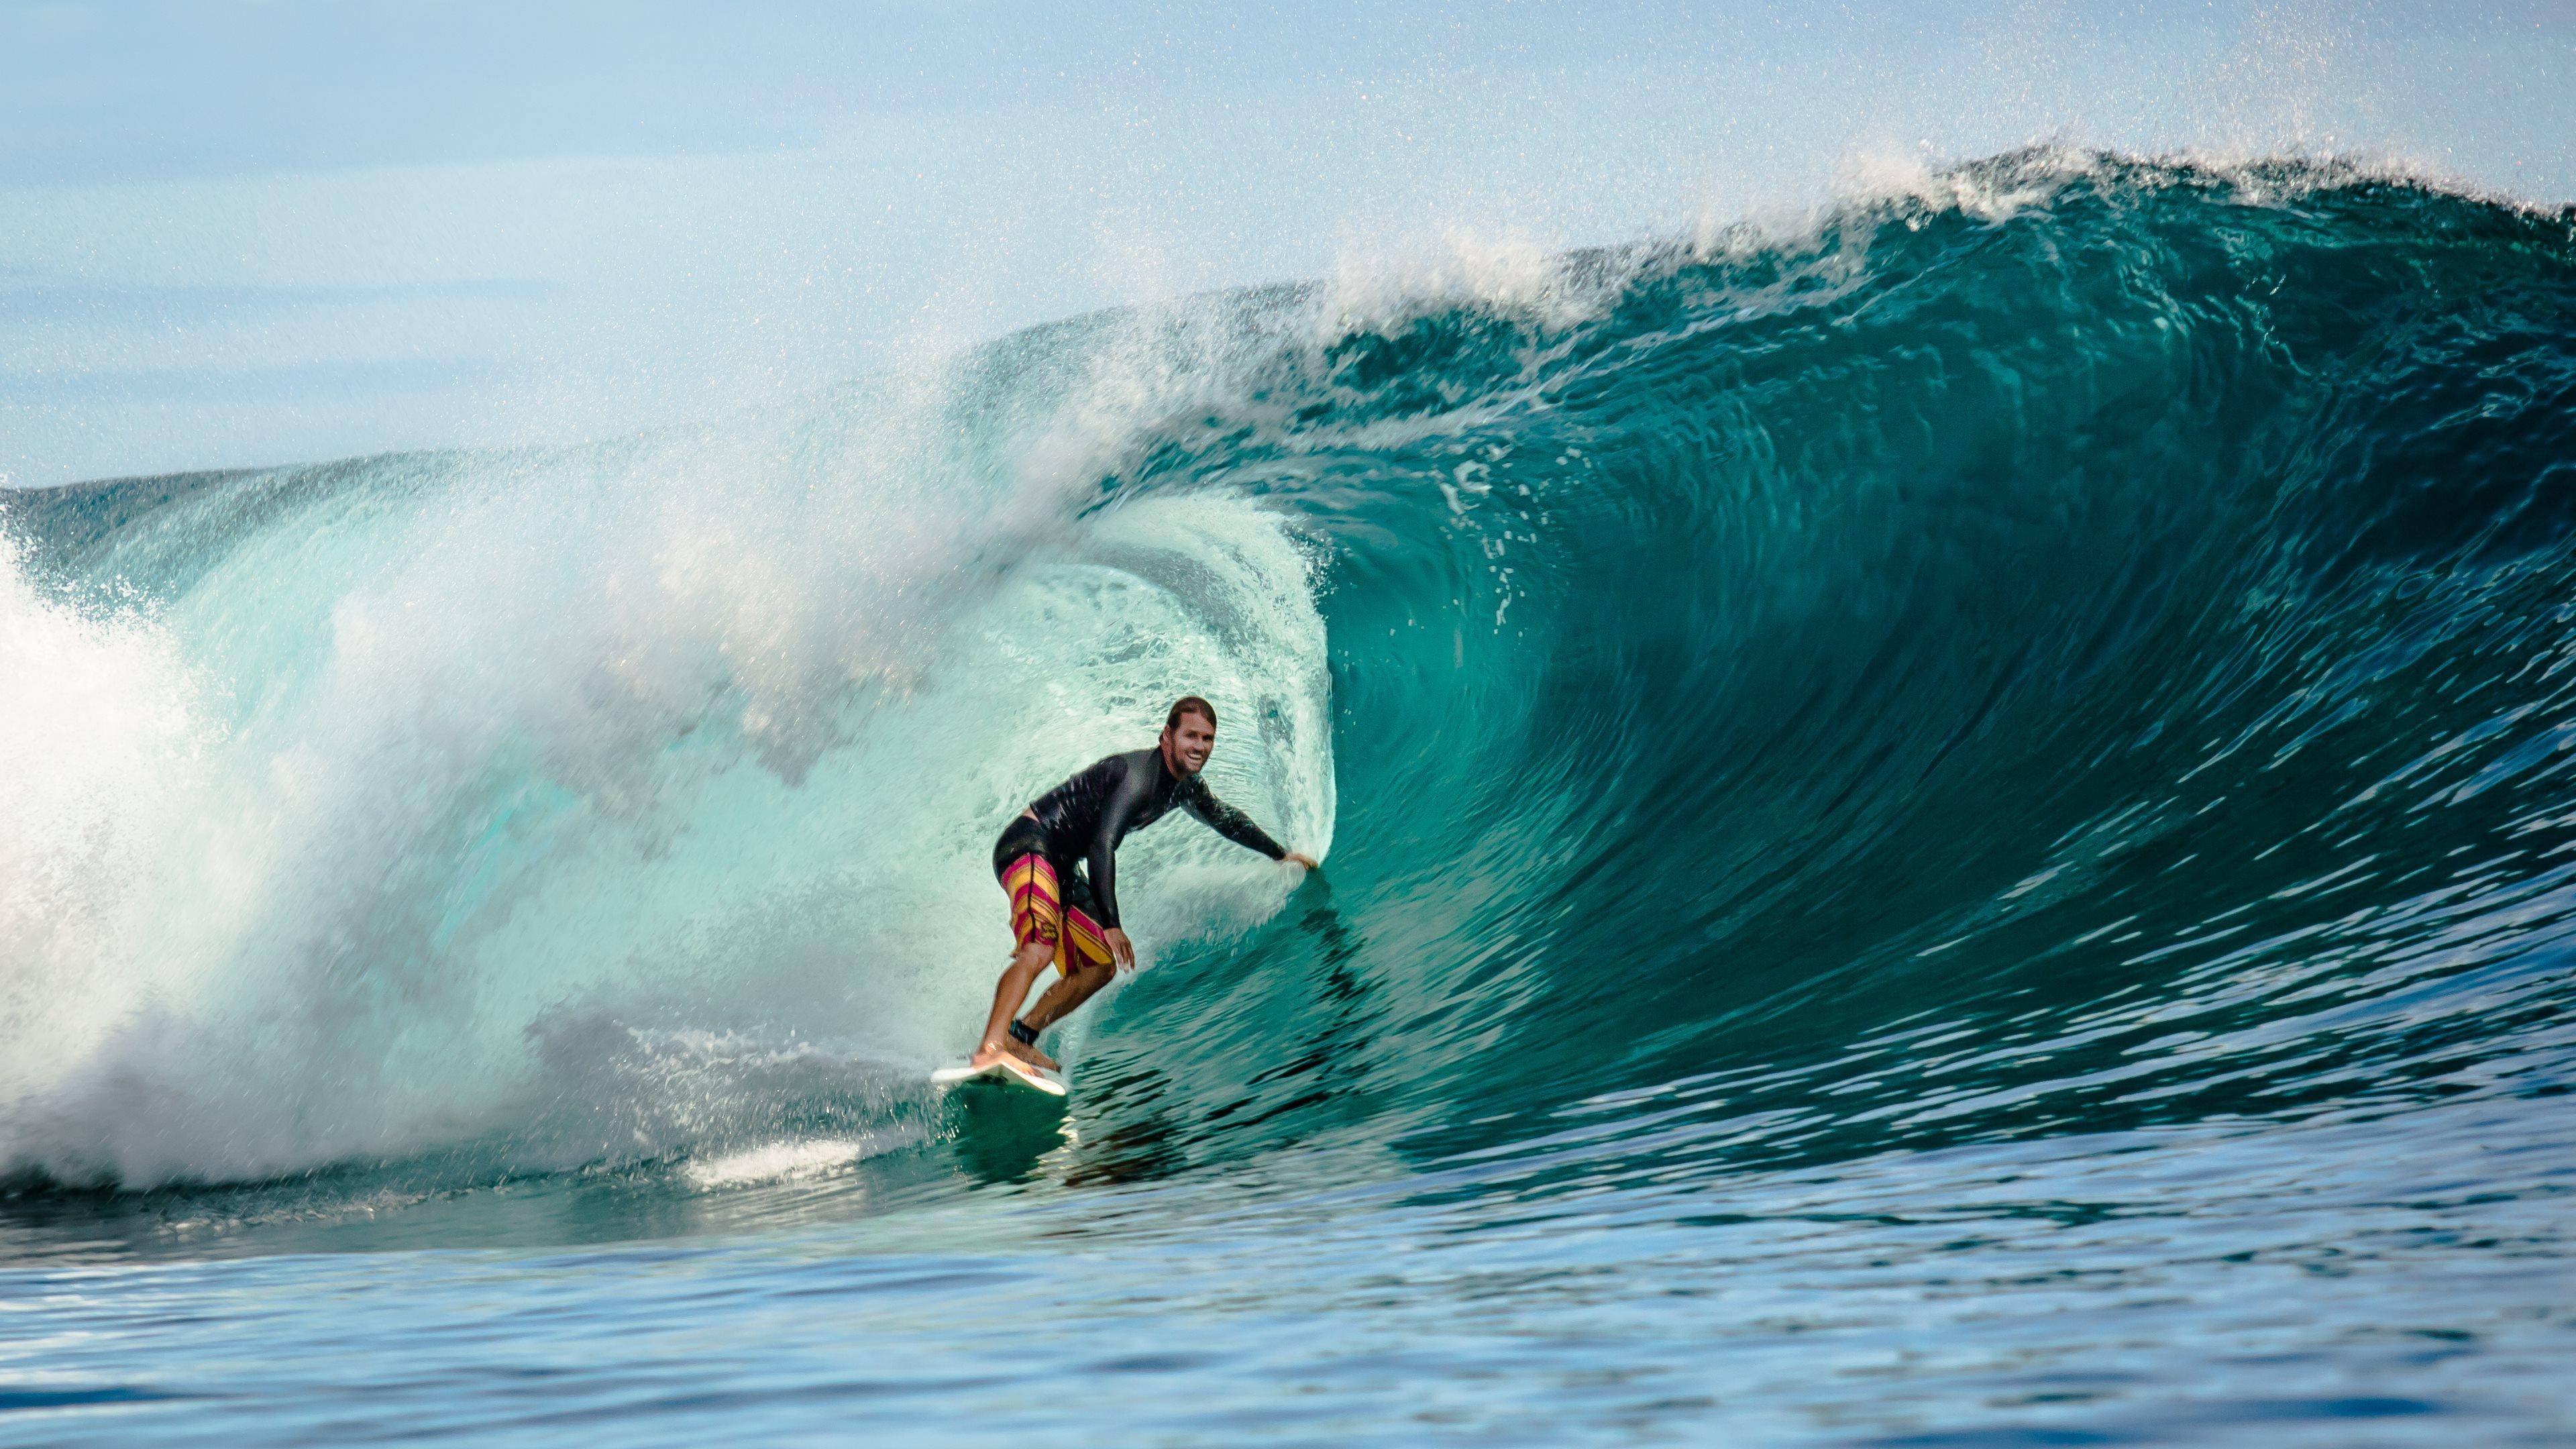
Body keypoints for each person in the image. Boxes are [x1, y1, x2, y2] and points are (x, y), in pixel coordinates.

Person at [975, 695, 1320, 1075]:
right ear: (1166, 737)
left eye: (1208, 738)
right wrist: (1112, 923)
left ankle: (1020, 1037)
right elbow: (1102, 844)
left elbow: (1224, 820)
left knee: (1101, 965)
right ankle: (990, 1047)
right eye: (1191, 736)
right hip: (1029, 844)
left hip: (1060, 866)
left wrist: (1280, 855)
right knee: (1039, 948)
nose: (1200, 747)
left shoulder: (1185, 787)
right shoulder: (1136, 776)